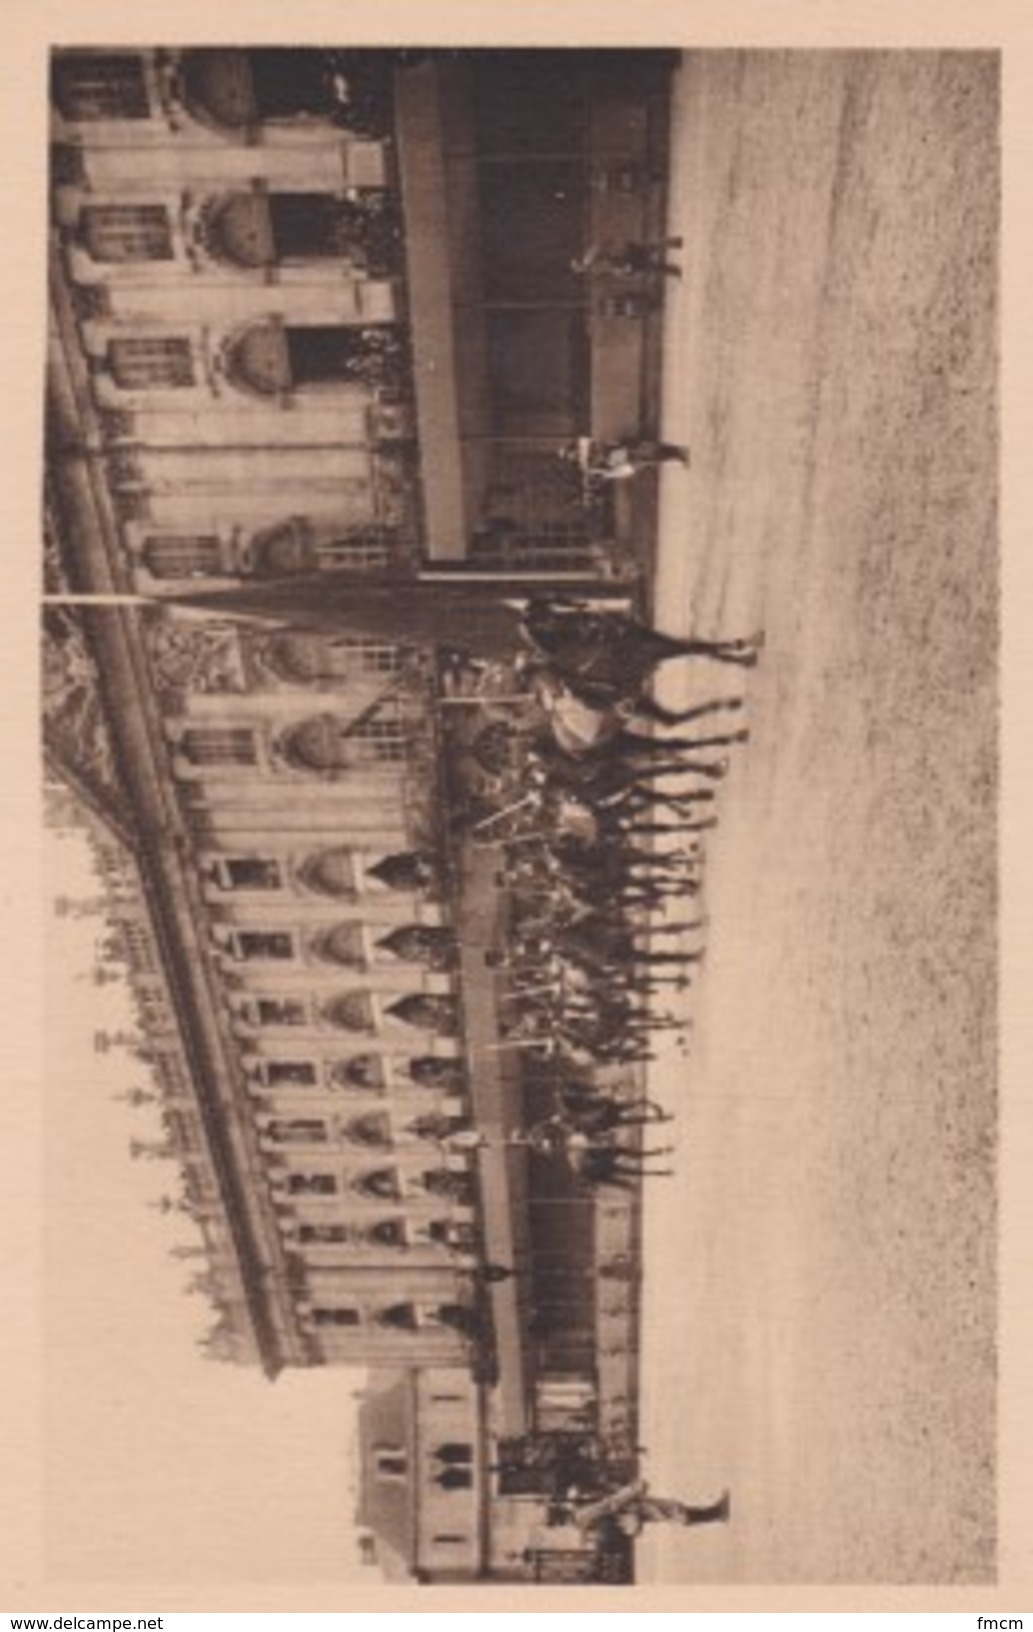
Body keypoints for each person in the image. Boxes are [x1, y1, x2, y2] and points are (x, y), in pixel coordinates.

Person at [573, 1479, 730, 1534]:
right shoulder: (582, 1514)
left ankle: (714, 1512)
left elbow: (610, 1505)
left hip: (631, 1510)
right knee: (673, 1512)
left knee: (671, 1511)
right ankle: (716, 1513)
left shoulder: (580, 1517)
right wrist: (632, 1490)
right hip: (632, 1508)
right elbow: (612, 1504)